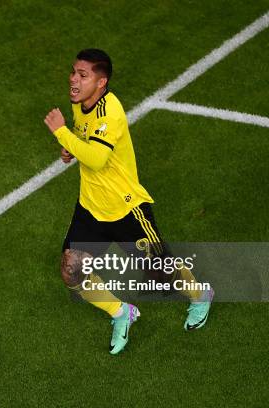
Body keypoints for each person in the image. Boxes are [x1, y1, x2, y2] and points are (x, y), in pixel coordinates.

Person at [43, 49, 213, 355]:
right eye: (73, 72)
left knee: (161, 274)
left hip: (126, 210)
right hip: (91, 209)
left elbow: (97, 159)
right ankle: (121, 313)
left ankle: (201, 295)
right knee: (71, 270)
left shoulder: (111, 112)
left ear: (101, 82)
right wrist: (70, 148)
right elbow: (86, 142)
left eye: (83, 75)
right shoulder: (81, 103)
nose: (73, 79)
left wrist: (61, 133)